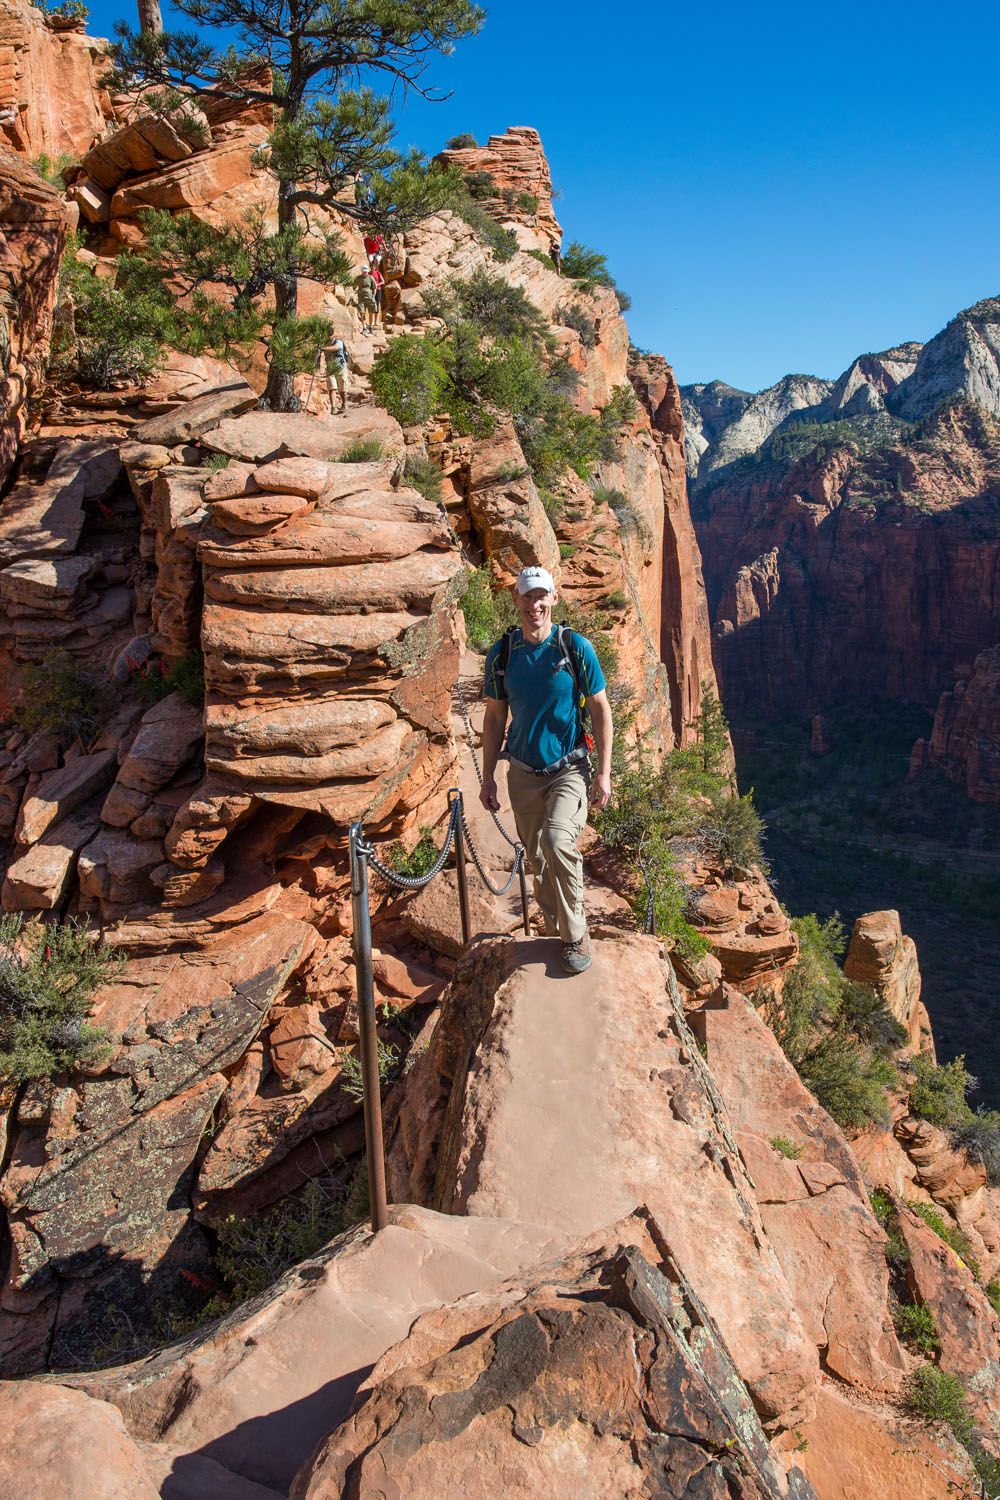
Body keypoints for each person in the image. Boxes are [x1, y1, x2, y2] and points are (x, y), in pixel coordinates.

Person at [480, 566, 613, 975]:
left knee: (558, 841)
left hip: (569, 768)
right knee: (537, 859)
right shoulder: (503, 655)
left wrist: (604, 773)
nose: (534, 604)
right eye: (527, 597)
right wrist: (487, 777)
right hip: (522, 772)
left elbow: (600, 709)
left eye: (542, 596)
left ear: (554, 598)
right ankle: (558, 924)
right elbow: (494, 718)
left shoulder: (573, 647)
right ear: (516, 600)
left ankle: (576, 934)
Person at [322, 335, 350, 412]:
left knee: (342, 388)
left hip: (341, 367)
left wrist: (323, 348)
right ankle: (333, 407)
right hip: (330, 368)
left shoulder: (338, 342)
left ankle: (344, 404)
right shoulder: (324, 343)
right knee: (332, 388)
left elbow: (335, 348)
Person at [355, 268, 378, 333]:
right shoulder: (358, 278)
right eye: (363, 271)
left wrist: (373, 297)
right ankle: (364, 327)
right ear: (361, 272)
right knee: (362, 313)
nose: (365, 273)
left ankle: (370, 327)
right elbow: (354, 285)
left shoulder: (371, 278)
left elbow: (374, 288)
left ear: (367, 272)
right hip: (361, 298)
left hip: (370, 297)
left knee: (371, 312)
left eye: (366, 272)